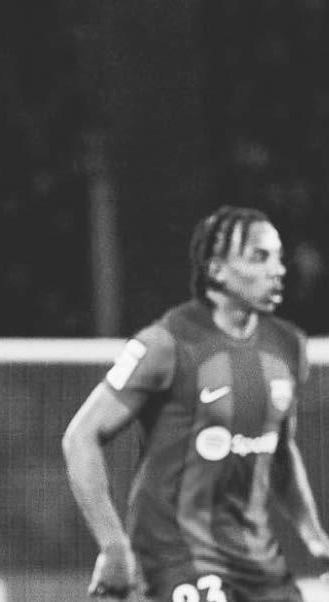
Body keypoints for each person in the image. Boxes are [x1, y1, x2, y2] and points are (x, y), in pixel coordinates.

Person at [63, 206, 329, 601]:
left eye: (278, 257)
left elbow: (280, 451)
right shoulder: (165, 343)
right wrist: (113, 545)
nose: (278, 270)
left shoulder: (288, 346)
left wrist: (314, 536)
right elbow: (80, 437)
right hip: (176, 559)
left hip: (258, 563)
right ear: (216, 270)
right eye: (259, 257)